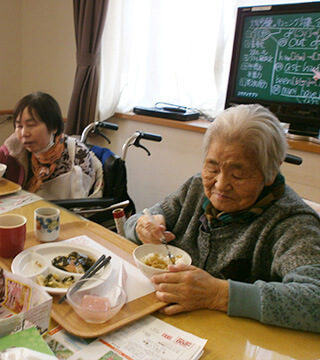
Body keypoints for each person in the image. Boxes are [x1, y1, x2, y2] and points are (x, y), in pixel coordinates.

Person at [124, 104, 320, 333]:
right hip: (167, 325)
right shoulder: (196, 188)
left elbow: (314, 299)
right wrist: (141, 228)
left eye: (238, 174)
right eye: (213, 167)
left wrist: (217, 294)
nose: (220, 185)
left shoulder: (291, 222)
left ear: (271, 172)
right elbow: (138, 220)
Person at [0, 91, 102, 200]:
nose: (24, 133)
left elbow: (82, 205)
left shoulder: (76, 154)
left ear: (54, 127)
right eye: (19, 126)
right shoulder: (17, 144)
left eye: (31, 125)